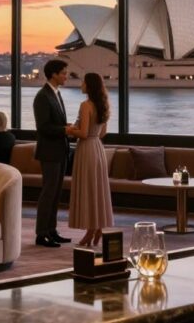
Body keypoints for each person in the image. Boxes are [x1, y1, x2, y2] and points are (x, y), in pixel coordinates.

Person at [66, 73, 114, 247]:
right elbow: (102, 133)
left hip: (86, 149)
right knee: (97, 190)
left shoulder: (86, 105)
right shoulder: (103, 105)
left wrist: (70, 130)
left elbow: (84, 133)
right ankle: (97, 226)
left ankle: (90, 230)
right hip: (98, 149)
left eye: (83, 82)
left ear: (89, 85)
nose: (81, 85)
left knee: (88, 189)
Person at [33, 59, 73, 248]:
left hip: (60, 150)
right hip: (49, 152)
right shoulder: (42, 96)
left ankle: (51, 230)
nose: (66, 76)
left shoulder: (56, 93)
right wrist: (65, 130)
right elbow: (43, 127)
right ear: (54, 74)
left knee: (56, 193)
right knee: (48, 193)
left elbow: (55, 124)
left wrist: (66, 128)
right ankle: (41, 234)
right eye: (63, 73)